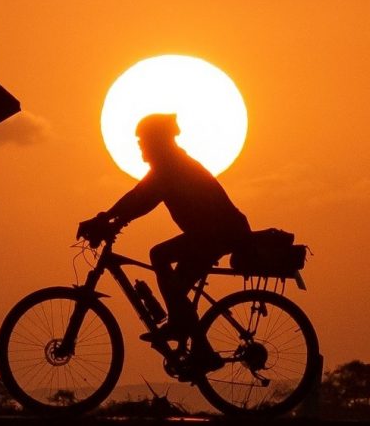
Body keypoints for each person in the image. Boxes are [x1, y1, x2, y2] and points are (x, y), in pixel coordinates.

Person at [93, 113, 251, 372]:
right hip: (210, 234)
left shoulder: (172, 167)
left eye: (144, 141)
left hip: (217, 235)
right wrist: (109, 218)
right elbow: (140, 196)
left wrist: (107, 219)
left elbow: (142, 199)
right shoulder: (170, 165)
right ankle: (187, 333)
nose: (141, 147)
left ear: (158, 141)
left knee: (166, 268)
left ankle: (198, 346)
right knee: (163, 263)